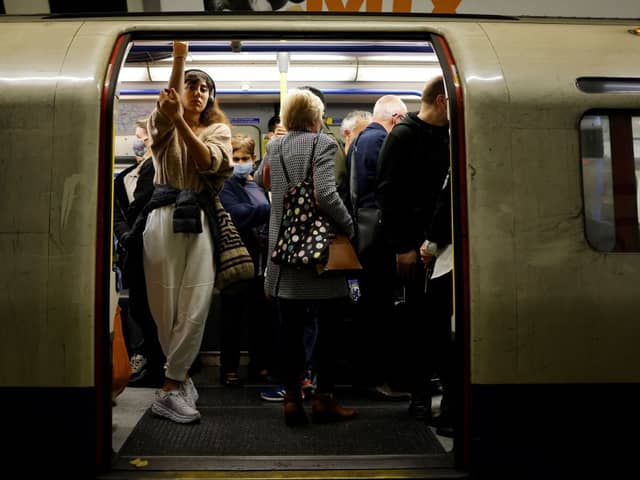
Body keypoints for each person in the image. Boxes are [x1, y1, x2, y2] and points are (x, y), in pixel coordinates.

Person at [134, 41, 233, 424]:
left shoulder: (218, 130)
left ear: (211, 98)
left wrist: (179, 121)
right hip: (162, 216)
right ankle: (177, 382)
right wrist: (179, 59)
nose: (198, 91)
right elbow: (167, 105)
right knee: (165, 304)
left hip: (199, 218)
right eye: (192, 85)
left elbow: (207, 163)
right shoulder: (161, 127)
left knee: (196, 304)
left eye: (205, 88)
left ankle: (170, 388)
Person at [263, 88, 356, 426]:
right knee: (330, 329)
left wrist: (270, 272)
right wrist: (348, 226)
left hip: (286, 255)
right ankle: (324, 399)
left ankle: (291, 399)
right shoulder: (324, 144)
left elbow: (273, 199)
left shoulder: (274, 146)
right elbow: (326, 194)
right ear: (317, 117)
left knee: (289, 332)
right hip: (320, 255)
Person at [375, 75, 451, 423]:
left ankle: (440, 394)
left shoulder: (448, 135)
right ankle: (420, 396)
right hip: (414, 245)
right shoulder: (404, 135)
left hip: (440, 244)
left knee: (437, 325)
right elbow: (389, 196)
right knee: (420, 324)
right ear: (441, 100)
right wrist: (403, 247)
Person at [346, 95, 408, 397]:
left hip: (363, 234)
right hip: (380, 239)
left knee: (368, 310)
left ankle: (366, 377)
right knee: (381, 311)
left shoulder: (358, 140)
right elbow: (390, 190)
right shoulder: (382, 141)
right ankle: (378, 379)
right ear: (396, 118)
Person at [114, 120, 165, 387]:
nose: (137, 143)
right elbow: (118, 212)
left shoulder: (157, 170)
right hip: (133, 249)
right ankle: (151, 361)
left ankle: (157, 366)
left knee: (151, 309)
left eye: (142, 138)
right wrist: (124, 234)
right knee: (139, 307)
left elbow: (145, 207)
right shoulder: (124, 177)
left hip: (153, 246)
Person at [218, 134, 272, 385]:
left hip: (262, 261)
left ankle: (259, 364)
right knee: (231, 317)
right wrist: (273, 208)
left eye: (244, 158)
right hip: (238, 259)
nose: (240, 163)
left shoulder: (260, 185)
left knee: (260, 318)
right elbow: (238, 214)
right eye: (235, 158)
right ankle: (228, 368)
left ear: (253, 159)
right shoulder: (227, 186)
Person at [419, 170, 454, 437]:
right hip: (449, 256)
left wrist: (429, 245)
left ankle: (451, 411)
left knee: (439, 336)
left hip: (447, 259)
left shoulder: (454, 172)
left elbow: (446, 207)